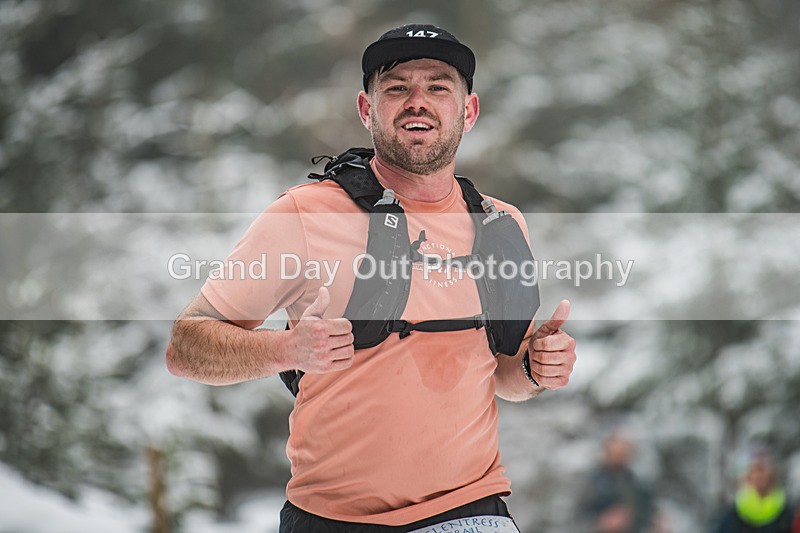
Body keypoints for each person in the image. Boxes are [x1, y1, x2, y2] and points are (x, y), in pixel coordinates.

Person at [166, 23, 577, 532]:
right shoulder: (305, 215)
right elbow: (185, 347)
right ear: (367, 109)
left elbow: (504, 377)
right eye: (397, 87)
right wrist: (288, 351)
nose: (417, 101)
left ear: (468, 112)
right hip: (334, 518)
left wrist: (538, 367)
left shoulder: (501, 224)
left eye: (438, 87)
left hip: (472, 511)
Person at [577, 431, 658, 533]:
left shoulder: (637, 482)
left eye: (624, 452)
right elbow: (576, 519)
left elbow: (648, 511)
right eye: (616, 452)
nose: (620, 456)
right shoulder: (590, 482)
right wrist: (602, 523)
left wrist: (656, 522)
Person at [713, 448, 797, 533]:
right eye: (754, 470)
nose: (759, 476)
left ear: (772, 474)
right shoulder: (730, 518)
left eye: (762, 469)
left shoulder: (788, 516)